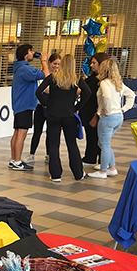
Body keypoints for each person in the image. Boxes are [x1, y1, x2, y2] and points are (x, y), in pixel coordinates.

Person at [35, 54, 91, 182]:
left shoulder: (53, 77)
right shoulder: (76, 79)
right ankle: (78, 173)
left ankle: (55, 175)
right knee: (71, 144)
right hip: (69, 115)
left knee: (54, 144)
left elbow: (38, 92)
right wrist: (78, 106)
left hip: (53, 114)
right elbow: (87, 92)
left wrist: (45, 104)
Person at [89, 59, 135, 179]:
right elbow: (131, 95)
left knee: (104, 144)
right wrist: (124, 109)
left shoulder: (104, 83)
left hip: (108, 118)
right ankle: (112, 167)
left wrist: (106, 111)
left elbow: (107, 97)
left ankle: (103, 171)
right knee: (104, 143)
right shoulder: (118, 83)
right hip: (119, 116)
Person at [9, 44, 49, 171]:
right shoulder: (26, 70)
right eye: (31, 51)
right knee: (22, 133)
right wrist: (43, 60)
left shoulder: (20, 68)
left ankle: (14, 159)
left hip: (20, 104)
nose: (33, 53)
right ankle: (17, 161)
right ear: (26, 55)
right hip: (25, 105)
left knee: (17, 132)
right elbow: (46, 75)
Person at [25, 53, 61, 164]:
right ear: (49, 63)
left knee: (51, 133)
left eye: (58, 64)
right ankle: (31, 154)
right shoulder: (42, 74)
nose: (56, 66)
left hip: (53, 108)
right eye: (54, 63)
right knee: (37, 132)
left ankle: (49, 155)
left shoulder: (59, 76)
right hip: (40, 107)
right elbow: (44, 90)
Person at [79, 52, 111, 166]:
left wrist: (96, 115)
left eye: (94, 63)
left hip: (96, 113)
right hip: (88, 112)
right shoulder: (93, 78)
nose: (91, 65)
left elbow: (102, 99)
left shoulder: (103, 82)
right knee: (91, 136)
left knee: (99, 139)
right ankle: (90, 157)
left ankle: (103, 162)